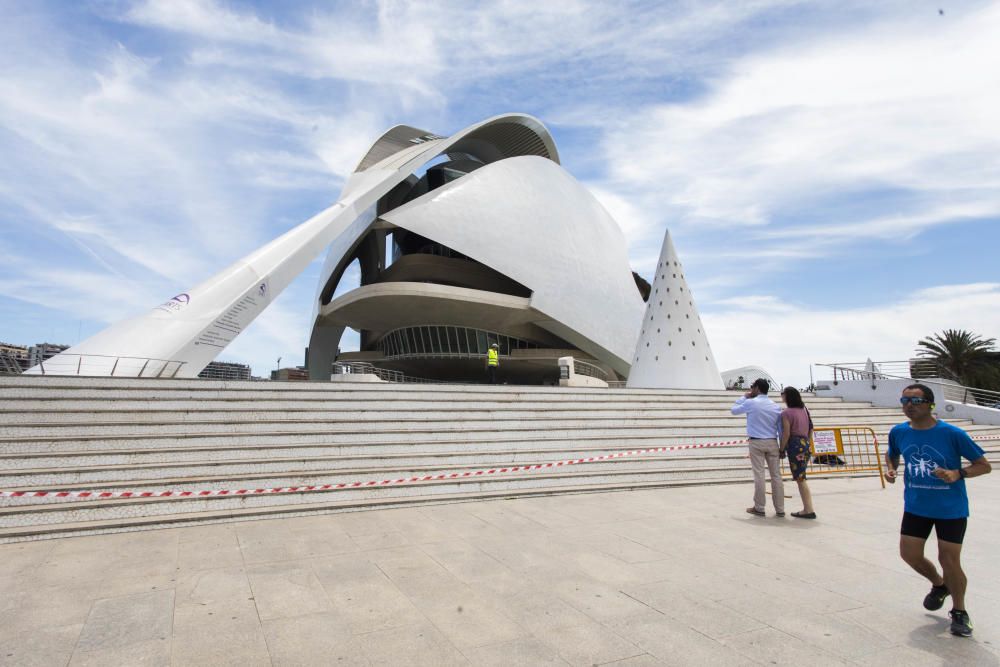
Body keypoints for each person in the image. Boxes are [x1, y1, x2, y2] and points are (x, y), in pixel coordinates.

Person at [886, 383, 992, 637]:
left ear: (931, 404)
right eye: (904, 400)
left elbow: (983, 465)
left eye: (916, 401)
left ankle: (959, 611)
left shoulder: (951, 434)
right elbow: (892, 454)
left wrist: (958, 473)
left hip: (950, 508)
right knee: (909, 555)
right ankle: (939, 584)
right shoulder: (898, 432)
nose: (909, 405)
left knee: (949, 559)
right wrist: (891, 469)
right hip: (916, 506)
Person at [731, 378, 784, 517]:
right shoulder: (775, 406)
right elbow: (780, 429)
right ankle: (780, 508)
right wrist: (782, 447)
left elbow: (734, 410)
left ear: (757, 388)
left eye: (752, 386)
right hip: (772, 442)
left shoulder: (750, 403)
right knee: (776, 476)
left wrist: (744, 396)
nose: (751, 389)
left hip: (756, 442)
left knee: (759, 475)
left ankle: (759, 507)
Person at [779, 387, 816, 519]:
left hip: (794, 446)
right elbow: (811, 428)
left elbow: (786, 433)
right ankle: (807, 508)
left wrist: (781, 449)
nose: (781, 396)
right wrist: (808, 443)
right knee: (801, 477)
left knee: (800, 479)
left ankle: (808, 509)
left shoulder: (786, 413)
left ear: (788, 397)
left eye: (782, 394)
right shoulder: (804, 410)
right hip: (805, 443)